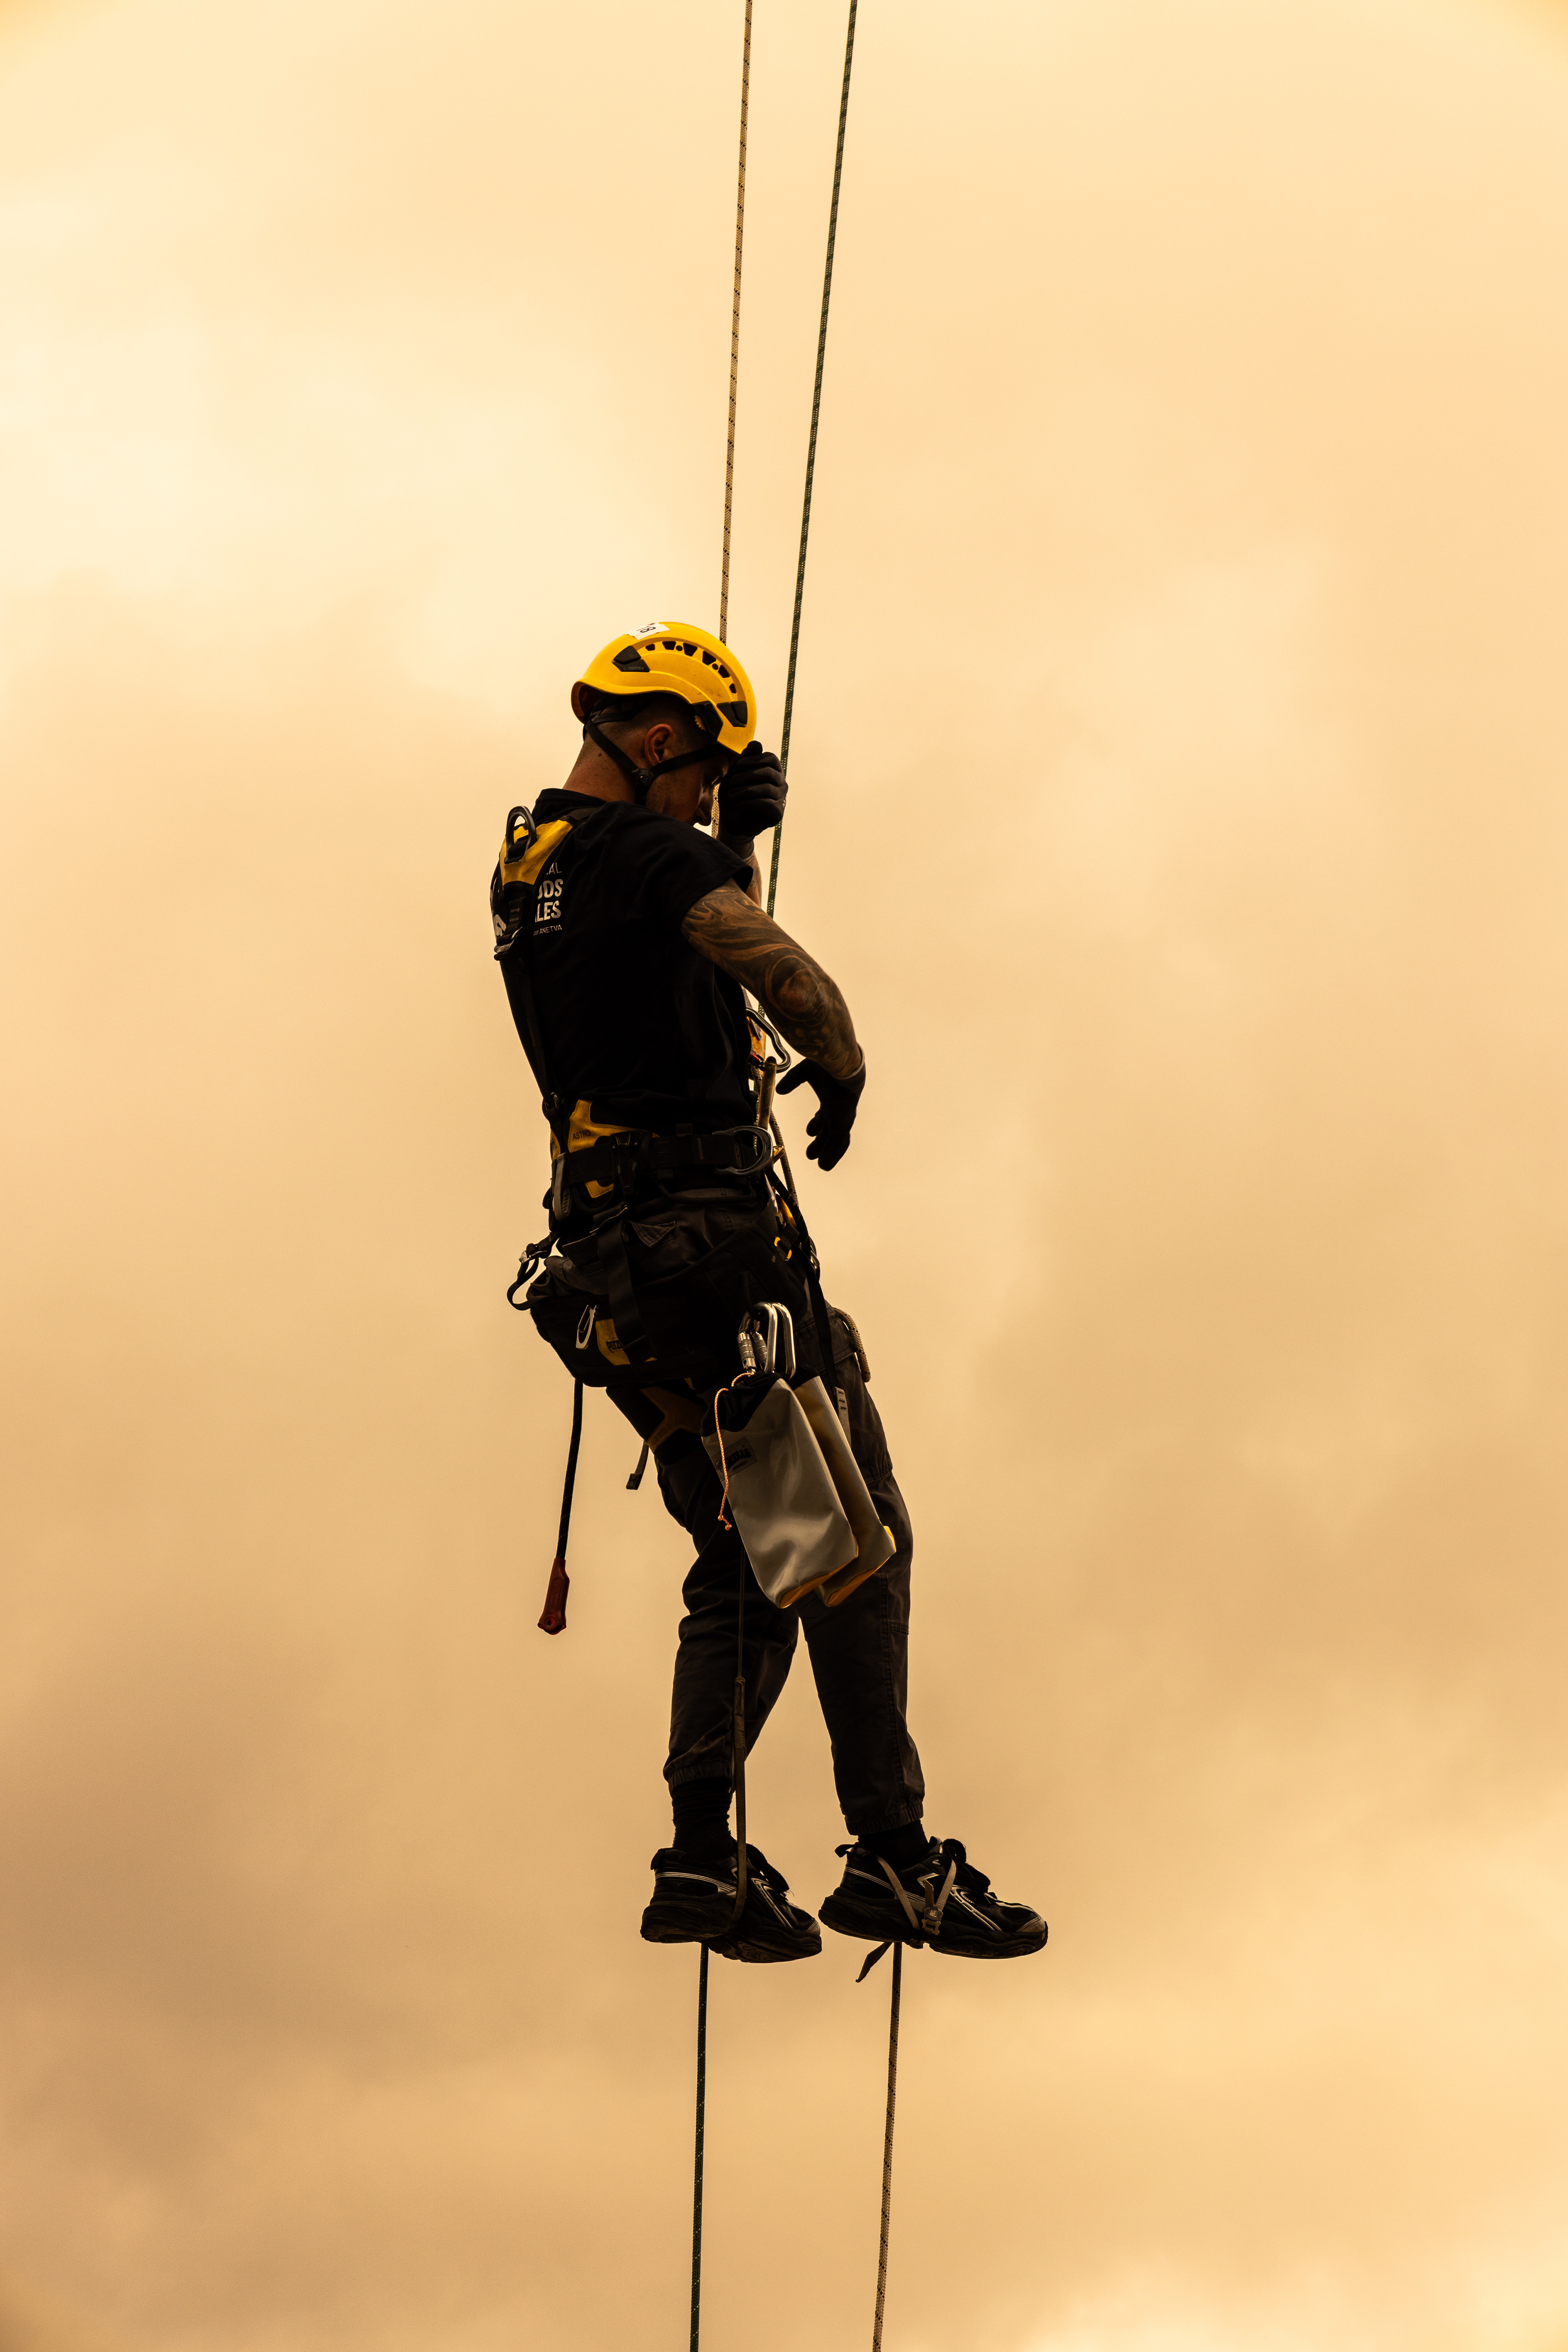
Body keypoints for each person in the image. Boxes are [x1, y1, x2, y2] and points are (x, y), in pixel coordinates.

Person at [492, 624, 1046, 1967]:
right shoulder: (647, 854)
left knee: (748, 1560)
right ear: (667, 739)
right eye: (703, 770)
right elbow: (768, 964)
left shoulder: (532, 869)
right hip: (717, 1265)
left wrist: (725, 834)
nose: (703, 794)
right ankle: (898, 1860)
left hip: (614, 1283)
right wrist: (840, 1059)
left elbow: (654, 976)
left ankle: (701, 1856)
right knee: (857, 1542)